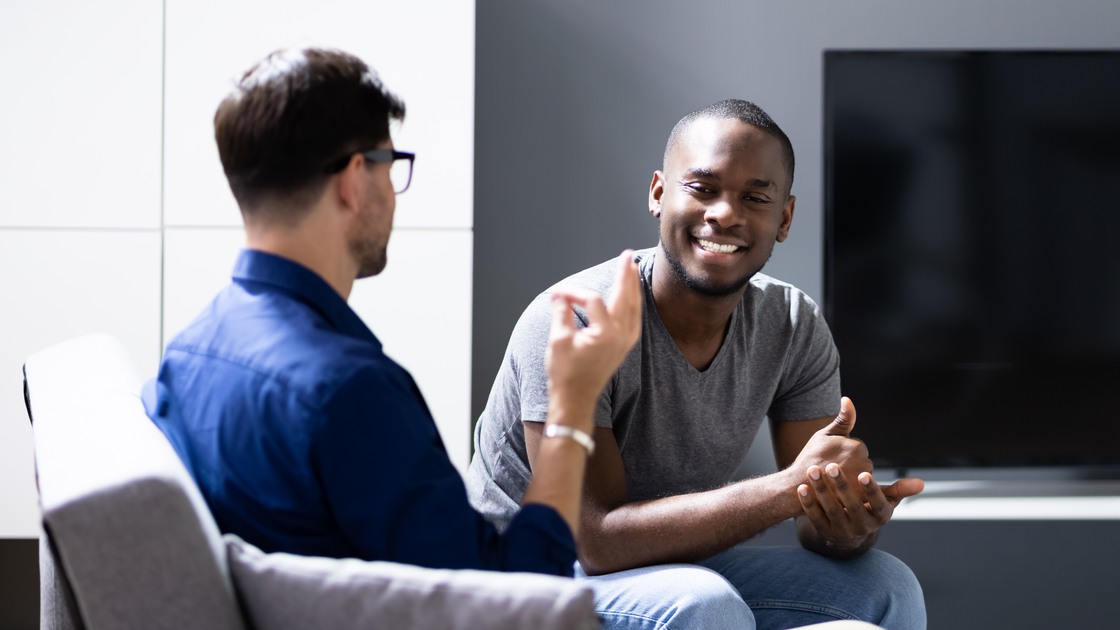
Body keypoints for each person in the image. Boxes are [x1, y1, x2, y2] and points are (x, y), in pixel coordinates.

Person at [142, 47, 641, 577]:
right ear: (355, 181)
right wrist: (572, 404)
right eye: (391, 164)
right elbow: (513, 595)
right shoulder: (349, 392)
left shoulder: (187, 351)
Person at [466, 99, 928, 628]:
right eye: (702, 188)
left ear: (784, 218)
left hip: (673, 571)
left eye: (755, 197)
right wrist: (786, 489)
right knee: (703, 602)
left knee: (886, 586)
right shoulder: (577, 318)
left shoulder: (792, 323)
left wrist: (847, 521)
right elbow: (594, 541)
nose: (725, 213)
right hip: (524, 576)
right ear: (658, 194)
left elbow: (811, 515)